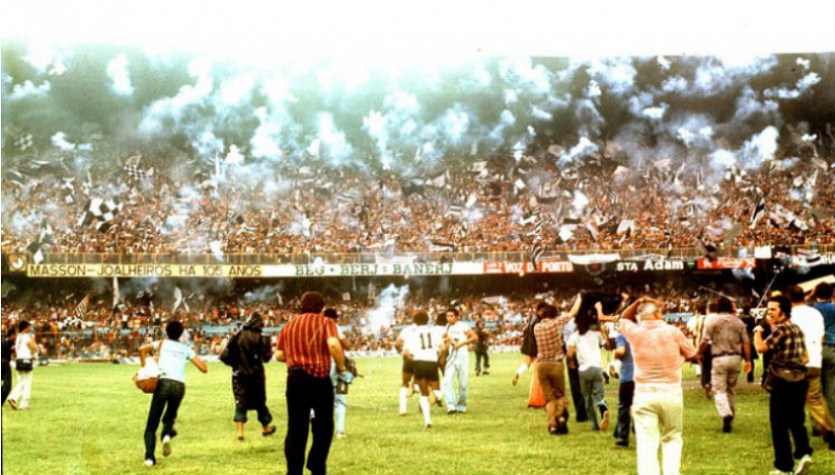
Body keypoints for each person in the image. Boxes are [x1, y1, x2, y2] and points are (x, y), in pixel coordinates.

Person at [275, 292, 352, 475]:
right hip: (319, 379)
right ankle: (316, 463)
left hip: (295, 379)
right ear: (321, 307)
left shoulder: (288, 326)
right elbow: (334, 345)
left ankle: (294, 471)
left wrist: (296, 357)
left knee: (296, 428)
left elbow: (278, 355)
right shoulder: (326, 323)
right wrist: (341, 369)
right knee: (324, 426)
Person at [619, 296, 698, 475]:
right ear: (655, 313)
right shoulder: (673, 332)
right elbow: (692, 354)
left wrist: (639, 301)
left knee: (647, 443)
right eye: (660, 311)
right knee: (672, 438)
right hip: (671, 393)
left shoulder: (636, 332)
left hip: (644, 394)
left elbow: (623, 317)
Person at [754, 295, 813, 475]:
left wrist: (757, 332)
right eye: (768, 309)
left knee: (778, 424)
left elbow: (762, 348)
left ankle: (784, 466)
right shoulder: (795, 328)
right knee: (796, 421)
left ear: (783, 311)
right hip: (799, 380)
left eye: (773, 309)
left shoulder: (780, 330)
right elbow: (805, 357)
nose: (769, 312)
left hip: (782, 383)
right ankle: (804, 454)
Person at [138, 320, 208, 467]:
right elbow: (203, 368)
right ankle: (166, 435)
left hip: (163, 383)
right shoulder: (185, 348)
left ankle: (150, 457)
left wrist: (145, 368)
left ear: (166, 331)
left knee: (152, 424)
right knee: (170, 416)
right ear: (181, 333)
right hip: (179, 386)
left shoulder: (161, 344)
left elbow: (141, 349)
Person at [787, 285, 835, 449]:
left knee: (793, 399)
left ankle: (806, 432)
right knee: (819, 395)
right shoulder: (817, 313)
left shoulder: (791, 314)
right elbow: (821, 337)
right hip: (819, 356)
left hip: (797, 361)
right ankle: (829, 428)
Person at [699, 296, 752, 433]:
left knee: (719, 389)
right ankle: (731, 415)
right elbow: (746, 342)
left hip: (719, 358)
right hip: (735, 358)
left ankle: (726, 414)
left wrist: (698, 353)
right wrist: (748, 360)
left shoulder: (713, 321)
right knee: (730, 389)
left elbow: (705, 340)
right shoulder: (738, 322)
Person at [225, 311, 276, 441]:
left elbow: (225, 356)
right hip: (257, 375)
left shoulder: (236, 336)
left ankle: (240, 433)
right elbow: (266, 358)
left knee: (240, 402)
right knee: (260, 402)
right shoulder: (262, 338)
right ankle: (266, 428)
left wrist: (236, 366)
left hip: (239, 375)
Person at [534, 300, 579, 435]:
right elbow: (573, 312)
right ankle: (560, 416)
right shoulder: (556, 323)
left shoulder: (536, 327)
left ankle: (552, 424)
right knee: (560, 395)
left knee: (549, 398)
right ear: (554, 315)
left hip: (541, 364)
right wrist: (580, 298)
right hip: (556, 363)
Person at [566, 302, 611, 431]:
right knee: (598, 395)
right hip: (597, 368)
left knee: (587, 397)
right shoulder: (595, 334)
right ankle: (603, 410)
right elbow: (607, 345)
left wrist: (571, 362)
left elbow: (570, 353)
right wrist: (602, 331)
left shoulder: (575, 336)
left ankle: (594, 423)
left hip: (583, 369)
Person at [402, 310, 446, 428]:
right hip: (432, 362)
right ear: (428, 320)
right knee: (437, 390)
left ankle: (428, 421)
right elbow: (443, 348)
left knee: (423, 393)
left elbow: (405, 353)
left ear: (415, 321)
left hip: (419, 363)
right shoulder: (434, 332)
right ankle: (437, 395)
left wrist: (414, 361)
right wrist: (438, 358)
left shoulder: (413, 333)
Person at [441, 308, 477, 414]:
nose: (449, 318)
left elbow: (474, 337)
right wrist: (446, 341)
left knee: (463, 384)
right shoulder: (447, 327)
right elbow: (445, 340)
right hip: (451, 357)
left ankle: (461, 406)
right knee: (446, 380)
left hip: (462, 356)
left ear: (457, 316)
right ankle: (451, 405)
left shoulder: (463, 326)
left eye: (451, 316)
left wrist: (461, 344)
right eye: (447, 316)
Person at [324, 307, 351, 439]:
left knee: (316, 399)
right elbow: (347, 345)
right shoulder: (334, 327)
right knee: (340, 399)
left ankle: (316, 428)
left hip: (316, 366)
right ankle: (340, 431)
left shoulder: (315, 326)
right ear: (334, 318)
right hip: (334, 365)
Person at [512, 303, 545, 409]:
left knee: (528, 366)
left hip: (529, 349)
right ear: (540, 310)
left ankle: (517, 373)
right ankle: (535, 402)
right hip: (536, 351)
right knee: (538, 377)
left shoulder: (532, 320)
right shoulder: (538, 322)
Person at [811, 283, 835, 429]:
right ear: (831, 294)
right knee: (830, 390)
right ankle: (832, 422)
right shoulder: (833, 309)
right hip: (831, 348)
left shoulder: (811, 310)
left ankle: (816, 424)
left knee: (815, 391)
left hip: (814, 350)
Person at [7, 320, 37, 411]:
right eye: (29, 327)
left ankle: (13, 397)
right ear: (26, 327)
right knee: (27, 382)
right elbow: (33, 347)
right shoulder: (26, 337)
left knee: (21, 382)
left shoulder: (18, 337)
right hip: (26, 360)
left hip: (19, 360)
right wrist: (33, 338)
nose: (30, 328)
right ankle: (24, 403)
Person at [613, 325, 635, 447]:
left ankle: (623, 436)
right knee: (638, 405)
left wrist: (615, 355)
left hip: (627, 377)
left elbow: (621, 351)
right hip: (641, 376)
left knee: (623, 407)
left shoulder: (622, 336)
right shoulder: (640, 336)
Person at [395, 318, 418, 415]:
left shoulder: (406, 330)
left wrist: (400, 352)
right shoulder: (428, 330)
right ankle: (423, 404)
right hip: (422, 358)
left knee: (404, 383)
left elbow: (397, 344)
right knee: (422, 382)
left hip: (408, 357)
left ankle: (402, 409)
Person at [2, 325, 17, 406]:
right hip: (5, 364)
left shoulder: (3, 341)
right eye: (15, 334)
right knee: (8, 386)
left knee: (4, 383)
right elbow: (15, 352)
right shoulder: (11, 342)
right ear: (12, 334)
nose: (15, 336)